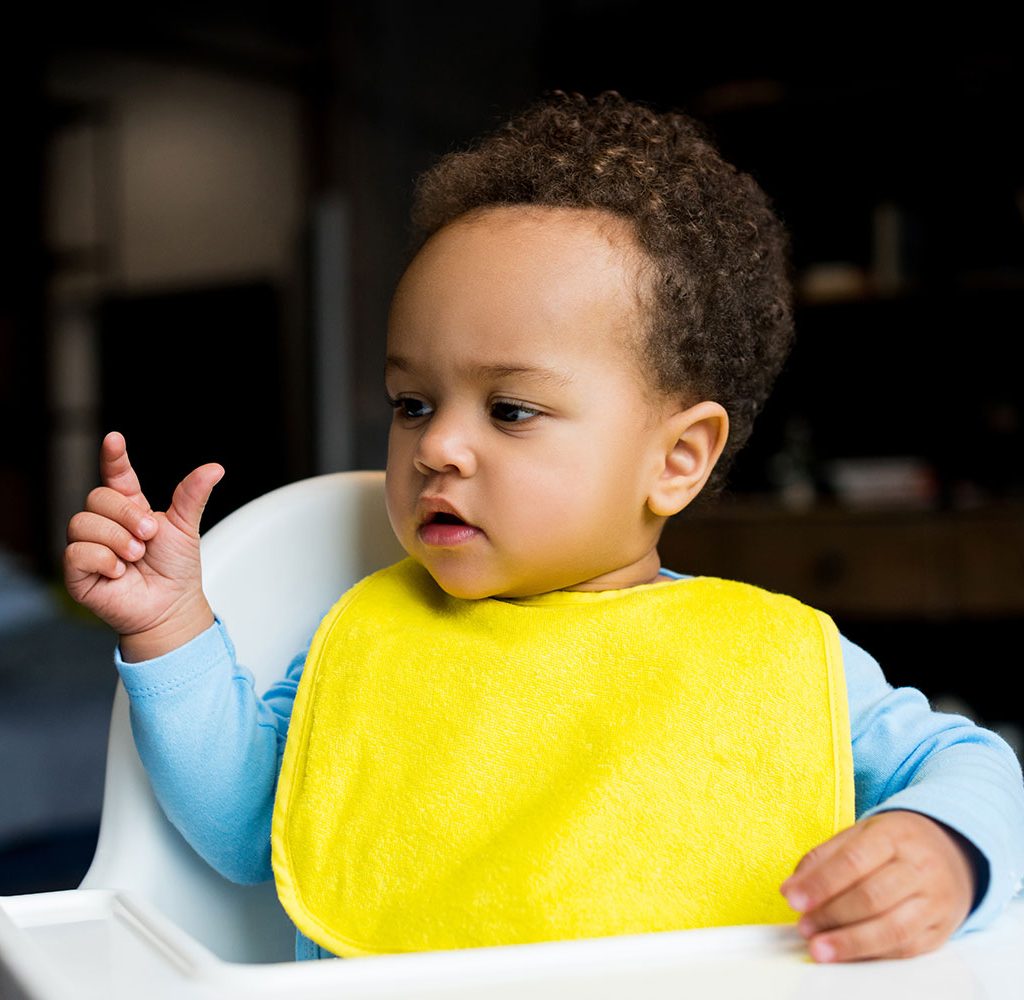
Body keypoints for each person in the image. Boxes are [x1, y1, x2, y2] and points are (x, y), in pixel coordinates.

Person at [64, 91, 1024, 965]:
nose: (438, 445)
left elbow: (973, 764)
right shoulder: (364, 640)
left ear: (676, 459)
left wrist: (944, 850)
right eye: (410, 402)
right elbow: (245, 832)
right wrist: (170, 628)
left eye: (510, 411)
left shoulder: (769, 657)